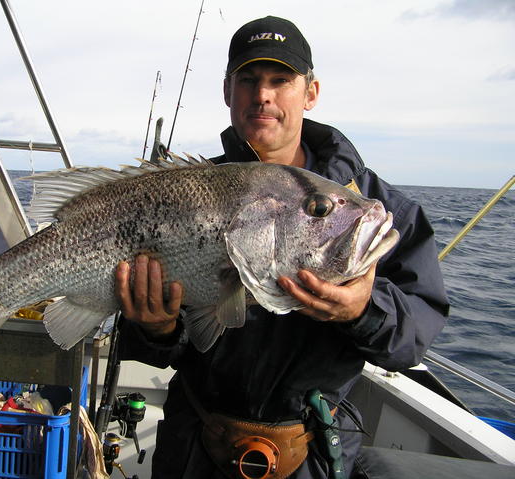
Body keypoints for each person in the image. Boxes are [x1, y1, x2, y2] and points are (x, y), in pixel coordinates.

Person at [113, 15, 449, 479]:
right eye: (248, 80)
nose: (263, 95)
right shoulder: (177, 192)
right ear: (228, 92)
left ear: (310, 92)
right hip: (192, 450)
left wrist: (362, 310)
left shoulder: (375, 211)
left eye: (280, 80)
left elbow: (415, 334)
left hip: (313, 457)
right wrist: (158, 330)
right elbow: (153, 349)